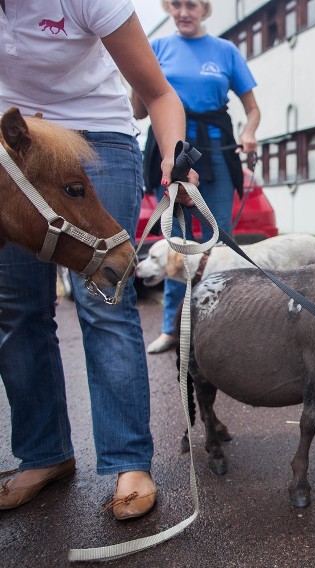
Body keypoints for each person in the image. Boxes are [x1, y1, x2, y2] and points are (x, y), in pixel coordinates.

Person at [0, 0, 190, 520]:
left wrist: (175, 156)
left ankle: (129, 460)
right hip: (9, 149)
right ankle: (44, 456)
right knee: (16, 309)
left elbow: (157, 93)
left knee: (105, 299)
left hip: (94, 142)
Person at [136, 0, 261, 355]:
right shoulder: (156, 47)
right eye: (176, 5)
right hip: (169, 150)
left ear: (205, 9)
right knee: (175, 242)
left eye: (191, 5)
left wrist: (250, 131)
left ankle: (229, 325)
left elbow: (253, 109)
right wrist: (137, 77)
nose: (183, 12)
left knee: (218, 238)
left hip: (217, 148)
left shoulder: (225, 51)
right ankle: (172, 329)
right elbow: (137, 109)